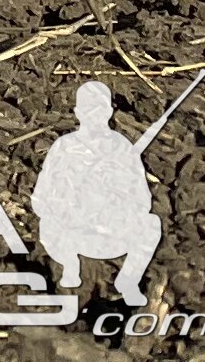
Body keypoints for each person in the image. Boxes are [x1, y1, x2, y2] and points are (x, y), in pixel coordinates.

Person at [33, 79, 168, 304]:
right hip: (74, 233)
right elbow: (41, 198)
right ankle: (69, 267)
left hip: (113, 232)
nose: (94, 115)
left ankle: (128, 281)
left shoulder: (123, 148)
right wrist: (71, 205)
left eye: (99, 108)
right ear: (77, 112)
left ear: (109, 111)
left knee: (151, 224)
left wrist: (116, 195)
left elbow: (142, 201)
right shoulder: (64, 147)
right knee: (47, 224)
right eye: (88, 108)